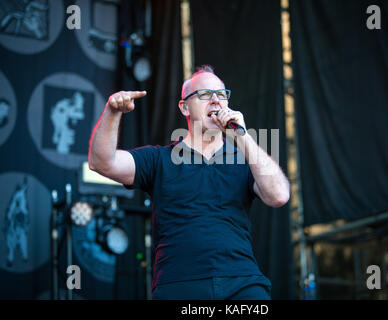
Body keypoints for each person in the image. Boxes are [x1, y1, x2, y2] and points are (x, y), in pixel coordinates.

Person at [88, 65, 290, 300]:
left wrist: (244, 138)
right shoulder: (158, 159)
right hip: (179, 284)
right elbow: (102, 162)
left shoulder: (246, 161)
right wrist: (113, 112)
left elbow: (279, 196)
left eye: (221, 95)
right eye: (205, 94)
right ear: (184, 106)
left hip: (242, 282)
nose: (215, 101)